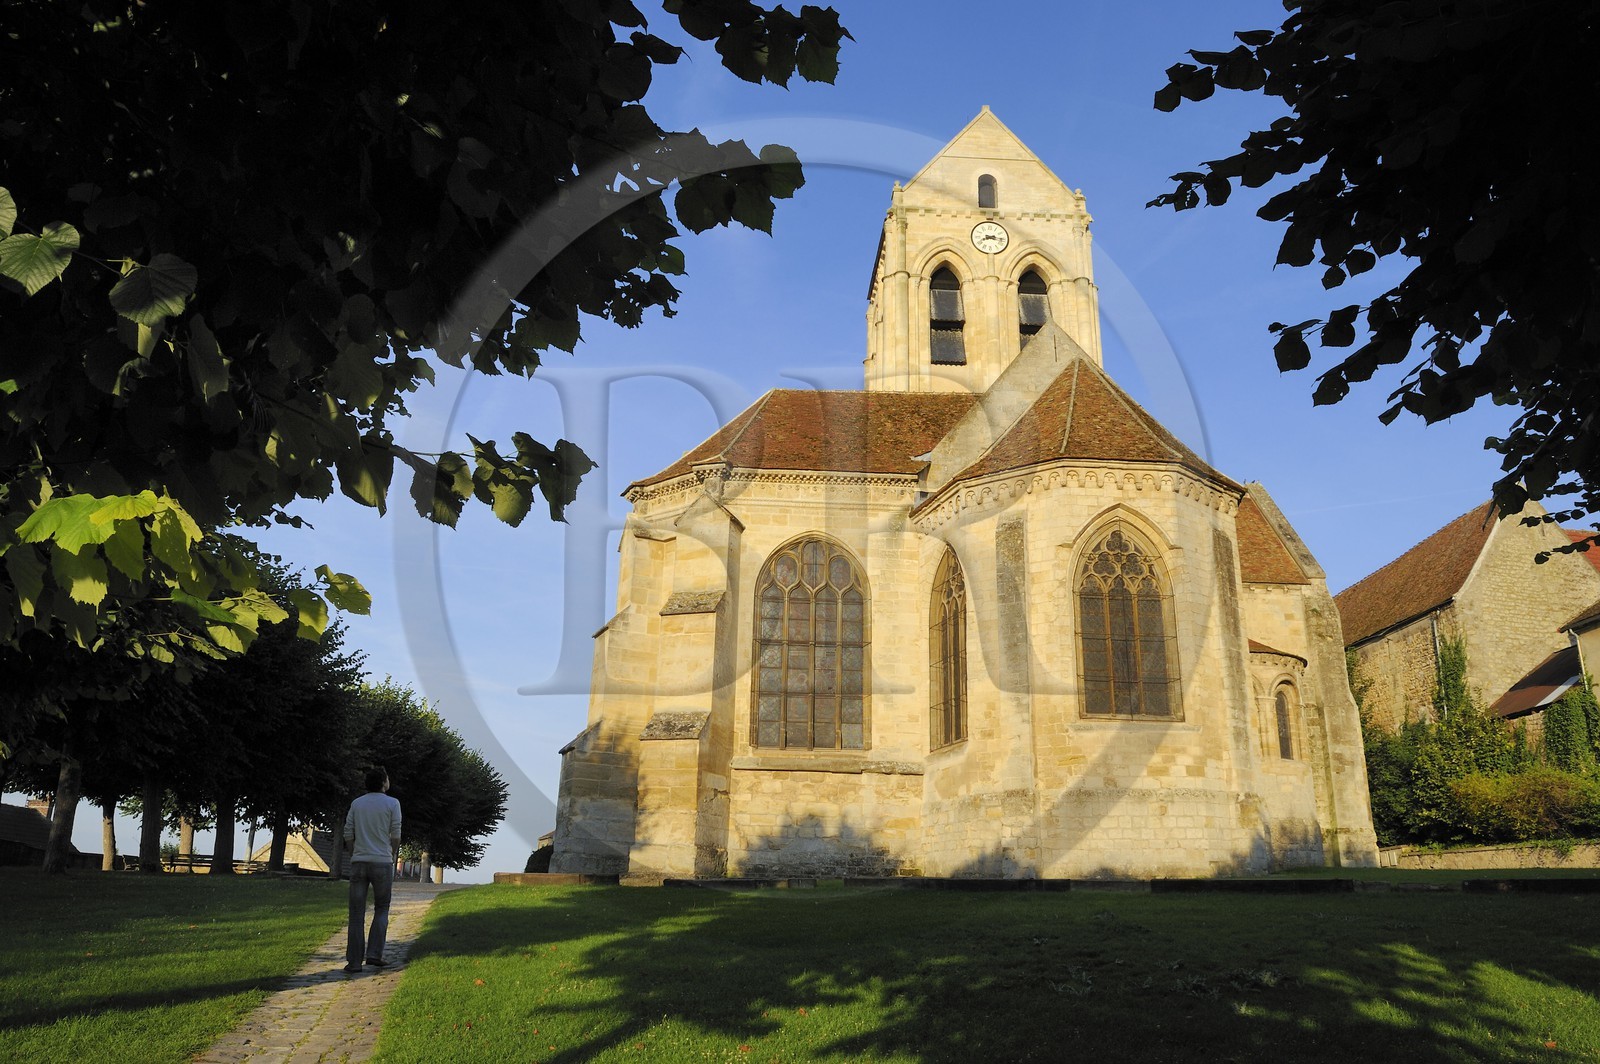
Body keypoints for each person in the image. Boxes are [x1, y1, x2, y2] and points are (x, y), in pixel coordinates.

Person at [343, 766, 402, 973]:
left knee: (356, 913)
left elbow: (348, 832)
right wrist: (392, 854)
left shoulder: (357, 803)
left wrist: (353, 853)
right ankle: (375, 954)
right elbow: (395, 834)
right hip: (382, 862)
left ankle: (354, 962)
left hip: (359, 862)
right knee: (381, 908)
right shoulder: (392, 803)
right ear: (384, 782)